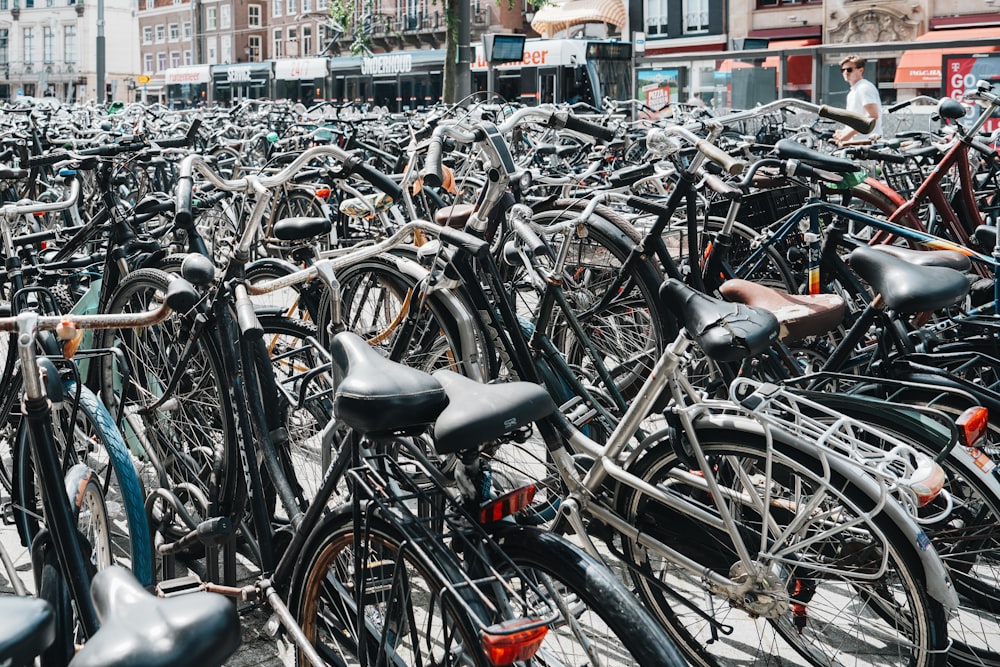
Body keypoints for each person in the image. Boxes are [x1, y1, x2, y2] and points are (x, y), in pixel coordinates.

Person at [833, 56, 882, 144]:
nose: (845, 72)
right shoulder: (854, 90)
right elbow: (856, 118)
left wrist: (849, 134)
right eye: (842, 70)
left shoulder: (864, 88)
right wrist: (844, 131)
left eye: (849, 69)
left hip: (868, 142)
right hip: (859, 142)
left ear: (861, 70)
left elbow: (873, 116)